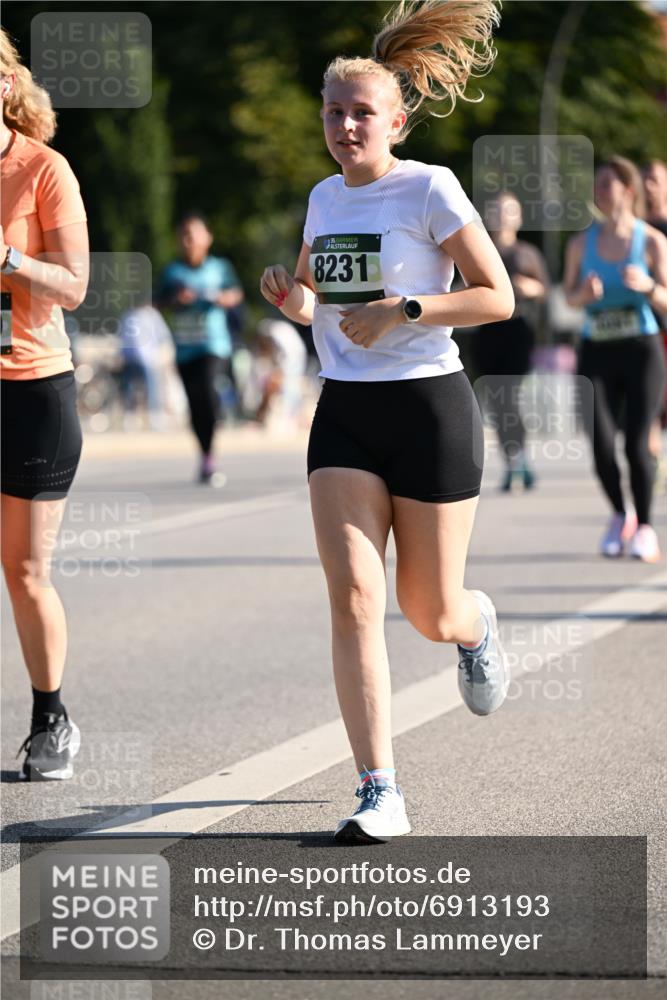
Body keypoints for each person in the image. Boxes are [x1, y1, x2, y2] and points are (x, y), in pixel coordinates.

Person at [261, 0, 513, 843]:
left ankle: (473, 627)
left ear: (395, 120)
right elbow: (315, 305)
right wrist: (291, 299)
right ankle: (379, 788)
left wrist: (406, 308)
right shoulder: (321, 197)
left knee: (426, 609)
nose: (343, 125)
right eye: (332, 112)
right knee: (355, 599)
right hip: (345, 413)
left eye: (360, 112)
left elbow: (496, 297)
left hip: (428, 409)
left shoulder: (429, 187)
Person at [0, 30, 89, 779]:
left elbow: (75, 283)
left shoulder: (42, 170)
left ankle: (50, 717)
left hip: (30, 388)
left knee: (24, 571)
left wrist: (7, 258)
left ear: (5, 87)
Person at [564, 156, 667, 562]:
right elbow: (568, 297)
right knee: (601, 444)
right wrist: (584, 297)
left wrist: (647, 287)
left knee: (638, 444)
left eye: (606, 183)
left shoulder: (653, 242)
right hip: (596, 352)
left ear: (627, 188)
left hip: (642, 349)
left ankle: (644, 527)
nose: (599, 191)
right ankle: (619, 515)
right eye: (596, 184)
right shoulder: (579, 244)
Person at [156, 213, 243, 482]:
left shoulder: (220, 267)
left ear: (208, 237)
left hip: (213, 344)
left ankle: (215, 431)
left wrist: (222, 298)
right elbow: (158, 301)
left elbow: (236, 293)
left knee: (207, 392)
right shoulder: (173, 272)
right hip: (184, 347)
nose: (188, 240)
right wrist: (177, 299)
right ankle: (206, 457)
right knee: (195, 405)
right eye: (184, 235)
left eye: (193, 234)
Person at [474, 191, 550, 491]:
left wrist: (530, 288)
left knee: (510, 398)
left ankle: (519, 460)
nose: (502, 215)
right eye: (496, 209)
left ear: (518, 217)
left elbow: (545, 292)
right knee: (496, 402)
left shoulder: (528, 253)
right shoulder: (479, 249)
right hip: (487, 331)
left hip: (519, 331)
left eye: (509, 210)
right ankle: (514, 463)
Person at [254, 317, 307, 428]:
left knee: (290, 386)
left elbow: (287, 354)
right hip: (291, 356)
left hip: (294, 357)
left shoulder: (275, 333)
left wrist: (280, 371)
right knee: (287, 385)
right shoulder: (276, 331)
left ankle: (289, 416)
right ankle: (288, 415)